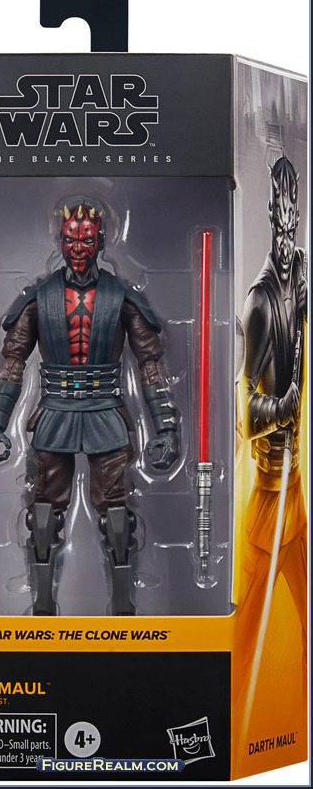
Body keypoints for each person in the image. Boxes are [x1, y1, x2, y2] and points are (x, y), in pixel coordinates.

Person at [0, 203, 180, 615]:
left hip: (106, 411)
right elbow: (13, 362)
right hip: (55, 412)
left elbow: (149, 364)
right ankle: (43, 607)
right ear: (60, 240)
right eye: (71, 238)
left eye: (86, 239)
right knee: (43, 514)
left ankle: (123, 609)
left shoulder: (121, 296)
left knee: (117, 514)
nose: (77, 247)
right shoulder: (39, 297)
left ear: (101, 242)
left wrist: (165, 427)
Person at [237, 157, 307, 698]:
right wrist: (283, 407)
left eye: (294, 214)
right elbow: (244, 413)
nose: (287, 225)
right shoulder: (260, 301)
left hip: (297, 491)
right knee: (243, 641)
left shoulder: (299, 272)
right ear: (269, 213)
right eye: (280, 215)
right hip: (266, 496)